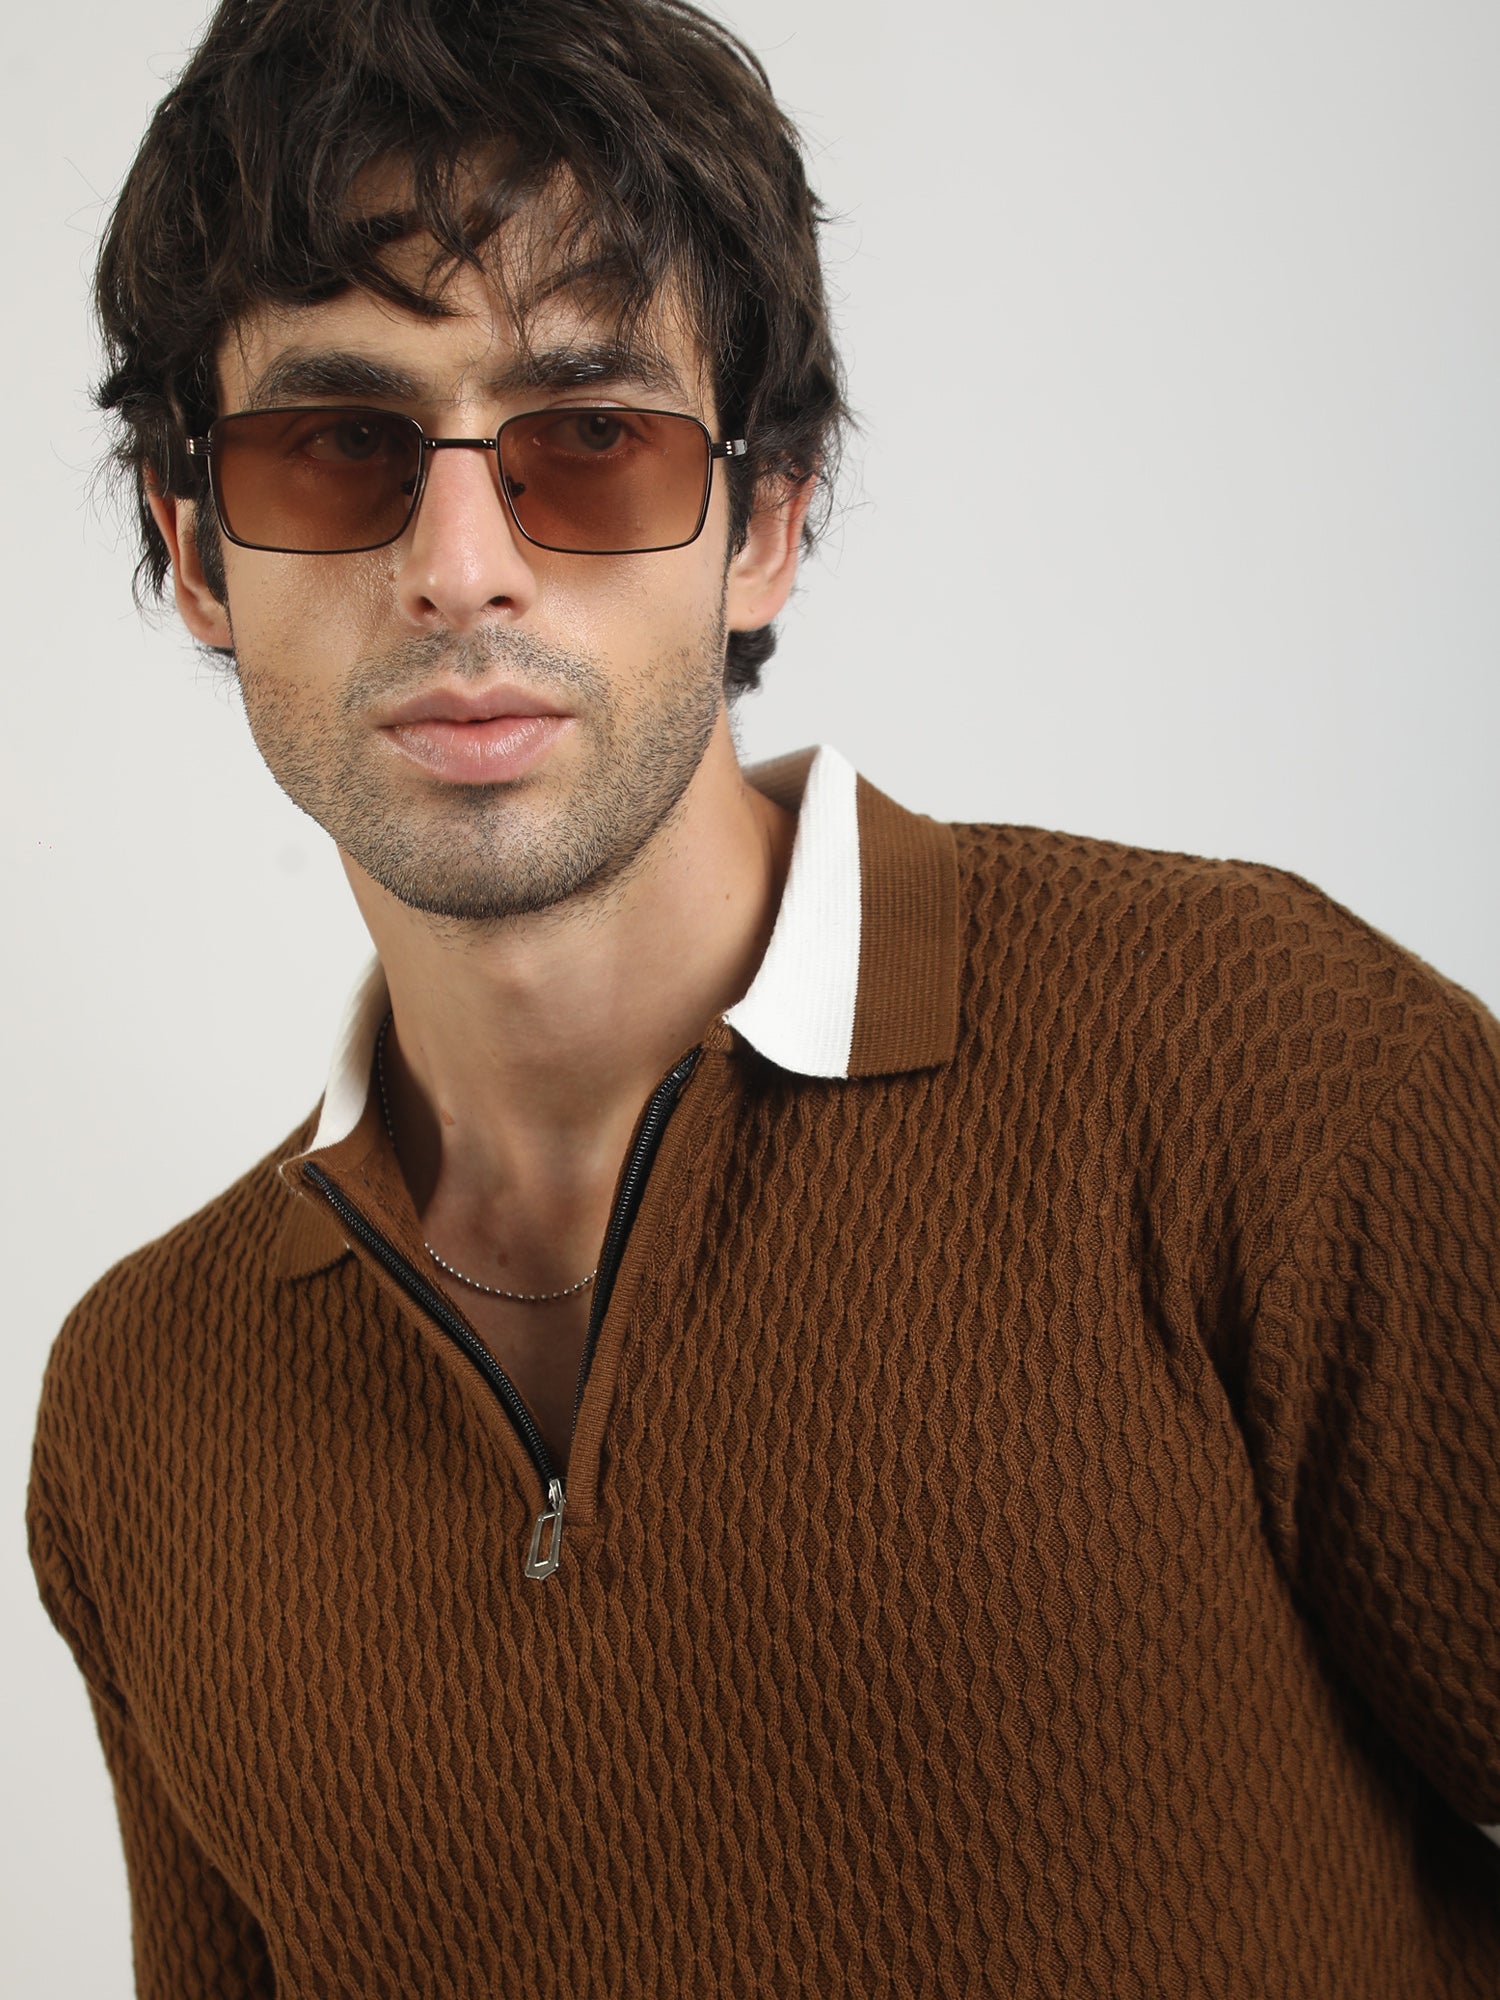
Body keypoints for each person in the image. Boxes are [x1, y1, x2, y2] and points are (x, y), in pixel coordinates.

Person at [27, 0, 1499, 1992]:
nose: (461, 568)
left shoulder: (1252, 1064)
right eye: (341, 443)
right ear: (195, 546)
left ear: (770, 521)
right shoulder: (142, 1414)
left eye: (588, 439)